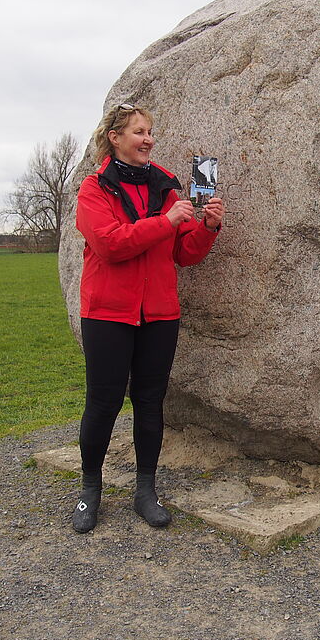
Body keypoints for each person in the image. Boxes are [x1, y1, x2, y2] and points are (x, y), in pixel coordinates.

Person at [72, 102, 224, 534]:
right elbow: (109, 244)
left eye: (150, 132)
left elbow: (184, 254)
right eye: (139, 132)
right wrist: (165, 221)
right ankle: (90, 490)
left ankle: (145, 491)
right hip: (108, 314)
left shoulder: (167, 187)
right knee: (102, 403)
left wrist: (207, 227)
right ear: (115, 138)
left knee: (149, 403)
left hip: (158, 314)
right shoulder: (94, 188)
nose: (148, 139)